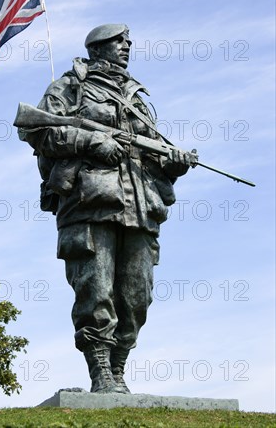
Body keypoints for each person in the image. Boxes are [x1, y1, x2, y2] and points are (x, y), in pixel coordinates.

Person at [20, 24, 195, 394]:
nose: (127, 46)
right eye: (119, 41)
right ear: (97, 47)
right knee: (95, 290)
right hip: (90, 204)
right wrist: (92, 141)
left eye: (128, 41)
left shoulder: (138, 99)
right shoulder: (70, 87)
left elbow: (152, 154)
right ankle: (100, 371)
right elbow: (38, 133)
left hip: (140, 207)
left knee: (137, 296)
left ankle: (118, 369)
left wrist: (174, 162)